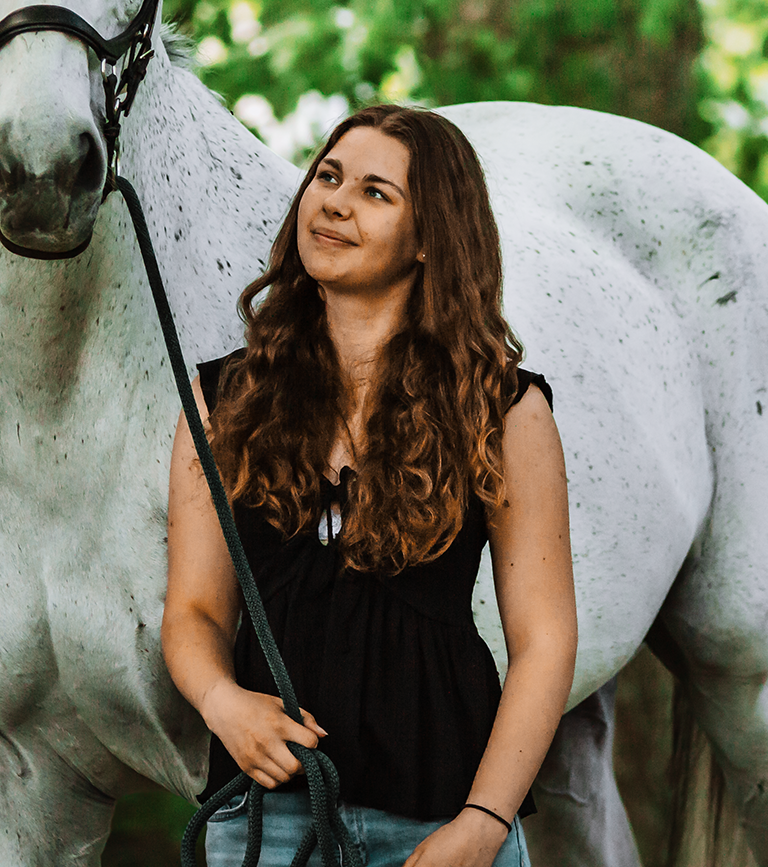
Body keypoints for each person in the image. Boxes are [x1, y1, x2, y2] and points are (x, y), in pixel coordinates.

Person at [163, 103, 576, 867]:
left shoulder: (503, 410)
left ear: (429, 238)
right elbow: (193, 611)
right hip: (267, 821)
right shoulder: (222, 399)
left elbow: (545, 641)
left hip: (441, 824)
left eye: (375, 191)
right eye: (327, 177)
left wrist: (484, 822)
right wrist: (223, 702)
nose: (335, 202)